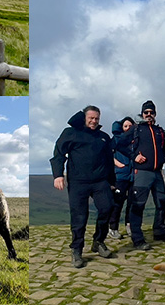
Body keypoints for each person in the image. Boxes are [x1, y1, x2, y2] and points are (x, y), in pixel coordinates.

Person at [51, 105, 117, 268]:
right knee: (79, 216)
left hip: (100, 181)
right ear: (84, 118)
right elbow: (58, 154)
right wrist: (58, 175)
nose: (94, 121)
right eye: (91, 118)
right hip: (78, 182)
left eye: (97, 118)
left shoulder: (103, 137)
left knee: (107, 208)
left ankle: (98, 242)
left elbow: (109, 161)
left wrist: (112, 182)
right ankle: (77, 250)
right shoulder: (70, 133)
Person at [125, 100, 165, 250]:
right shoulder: (136, 129)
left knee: (162, 201)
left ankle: (159, 230)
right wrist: (134, 156)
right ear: (142, 114)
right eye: (146, 112)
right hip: (142, 172)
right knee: (138, 204)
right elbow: (118, 144)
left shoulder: (159, 131)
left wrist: (162, 160)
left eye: (151, 112)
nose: (149, 115)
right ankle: (137, 238)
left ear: (155, 114)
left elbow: (163, 149)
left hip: (157, 172)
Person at [107, 116, 135, 241]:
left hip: (134, 175)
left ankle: (130, 226)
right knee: (118, 202)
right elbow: (107, 154)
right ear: (121, 128)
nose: (128, 128)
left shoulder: (136, 140)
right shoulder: (116, 139)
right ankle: (113, 228)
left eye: (130, 126)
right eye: (125, 126)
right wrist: (116, 163)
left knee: (132, 203)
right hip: (120, 175)